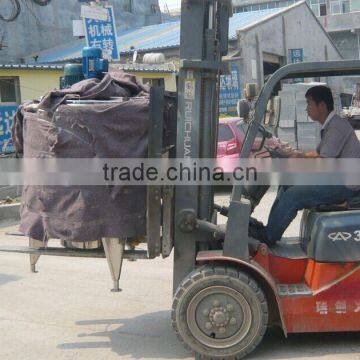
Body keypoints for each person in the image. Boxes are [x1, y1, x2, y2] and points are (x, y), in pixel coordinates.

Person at [250, 85, 360, 246]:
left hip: (346, 185)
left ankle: (269, 236)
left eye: (309, 103)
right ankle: (270, 229)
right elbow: (317, 154)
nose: (306, 108)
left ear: (321, 106)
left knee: (294, 195)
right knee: (287, 182)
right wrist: (293, 154)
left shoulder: (336, 127)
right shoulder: (331, 126)